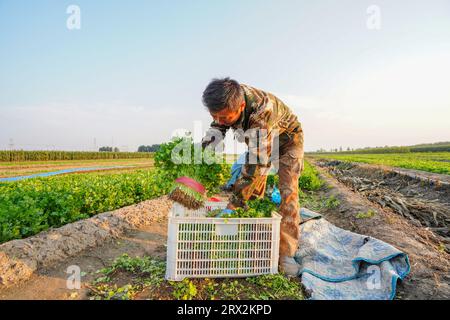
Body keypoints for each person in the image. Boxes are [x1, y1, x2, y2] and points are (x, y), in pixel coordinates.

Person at [201, 77, 304, 276]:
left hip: (288, 141)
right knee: (255, 188)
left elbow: (258, 161)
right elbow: (217, 129)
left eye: (225, 118)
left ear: (240, 106)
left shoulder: (261, 112)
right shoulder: (226, 102)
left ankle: (286, 252)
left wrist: (234, 203)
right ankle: (252, 234)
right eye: (215, 116)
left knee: (288, 191)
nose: (220, 121)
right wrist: (204, 153)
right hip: (261, 144)